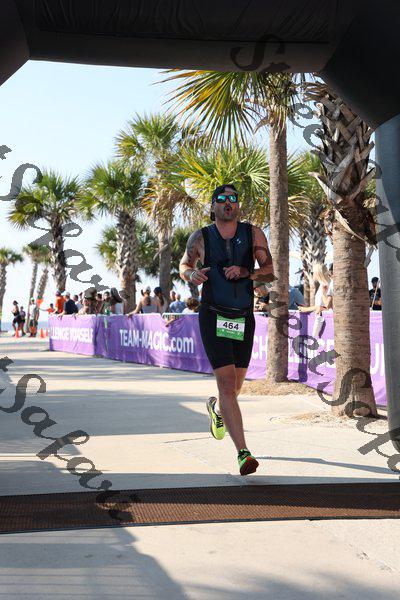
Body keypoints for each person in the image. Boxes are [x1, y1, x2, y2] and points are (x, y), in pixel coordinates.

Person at [179, 183, 274, 476]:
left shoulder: (253, 233)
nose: (228, 202)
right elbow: (184, 265)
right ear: (213, 206)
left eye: (233, 198)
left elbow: (270, 271)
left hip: (243, 316)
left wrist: (247, 271)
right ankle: (243, 453)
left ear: (238, 205)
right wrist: (192, 275)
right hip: (213, 315)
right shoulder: (201, 237)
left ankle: (218, 413)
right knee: (225, 384)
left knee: (234, 388)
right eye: (222, 199)